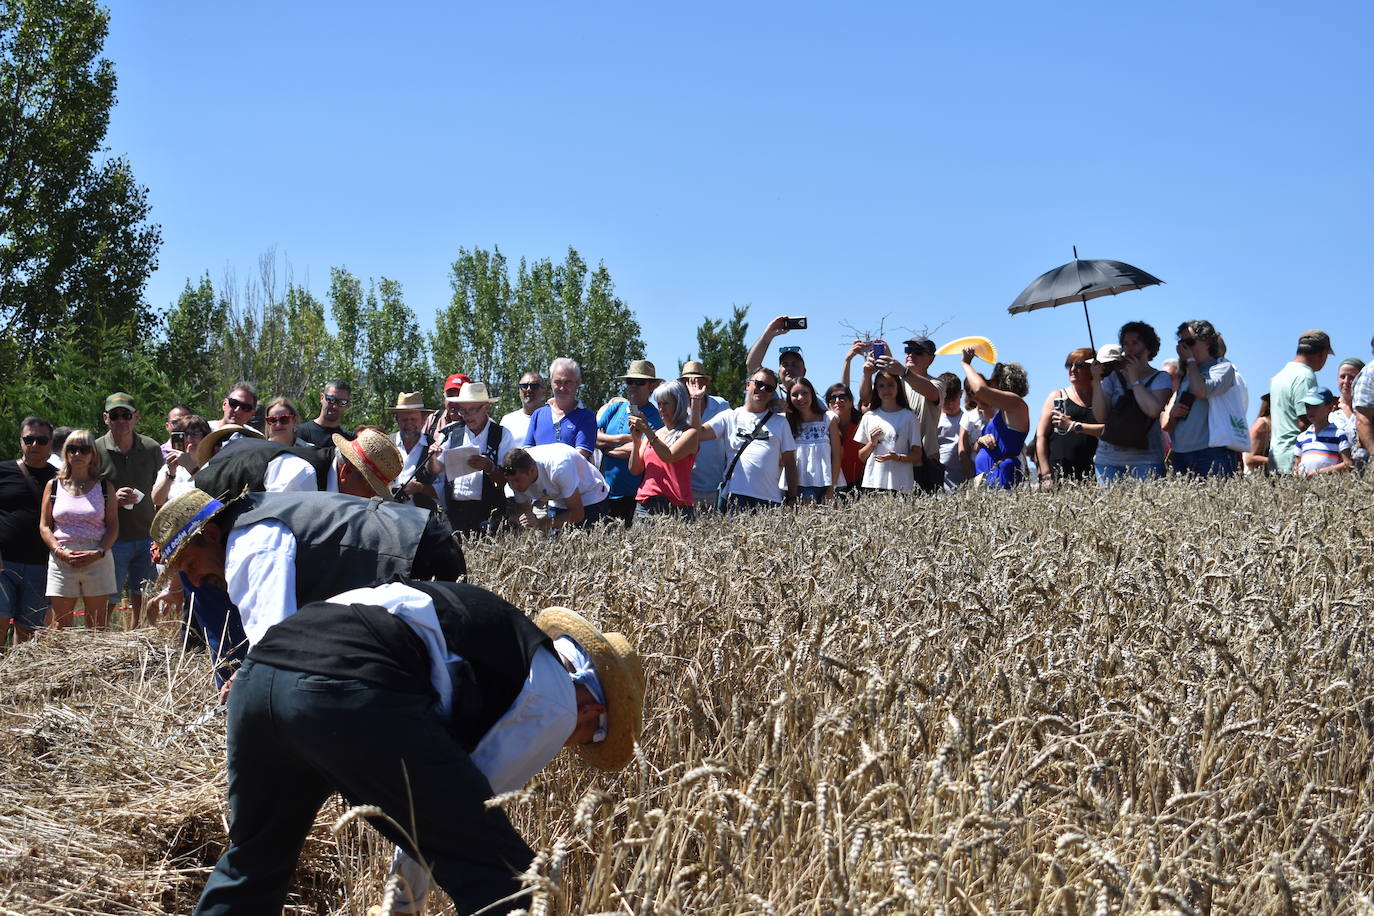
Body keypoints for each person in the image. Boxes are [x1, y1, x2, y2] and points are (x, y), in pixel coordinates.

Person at [190, 579, 643, 916]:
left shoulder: (502, 640)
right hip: (342, 690)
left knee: (252, 865)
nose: (571, 744)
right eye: (590, 737)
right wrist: (402, 906)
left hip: (258, 676)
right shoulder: (555, 699)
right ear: (590, 710)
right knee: (512, 881)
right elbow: (447, 822)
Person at [151, 487, 468, 673]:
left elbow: (274, 644)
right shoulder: (247, 523)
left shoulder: (250, 547)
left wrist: (250, 677)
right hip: (416, 545)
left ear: (210, 534)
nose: (194, 578)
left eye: (191, 563)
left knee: (439, 671)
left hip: (417, 556)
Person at [94, 392, 162, 627]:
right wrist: (112, 499)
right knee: (107, 597)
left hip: (147, 535)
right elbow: (84, 496)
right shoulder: (94, 450)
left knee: (144, 596)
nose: (121, 420)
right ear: (106, 418)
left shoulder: (152, 448)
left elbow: (163, 488)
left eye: (126, 414)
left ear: (136, 417)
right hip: (112, 539)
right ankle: (98, 643)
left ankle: (138, 638)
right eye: (115, 415)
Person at [40, 430, 119, 629]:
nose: (78, 454)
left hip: (97, 555)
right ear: (65, 453)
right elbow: (44, 526)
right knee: (61, 626)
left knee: (96, 626)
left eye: (84, 449)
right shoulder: (54, 485)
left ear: (93, 454)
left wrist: (99, 552)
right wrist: (59, 551)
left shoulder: (104, 486)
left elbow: (113, 527)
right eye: (72, 449)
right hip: (61, 557)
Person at [194, 426, 403, 500]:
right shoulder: (302, 477)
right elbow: (272, 541)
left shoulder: (320, 475)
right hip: (192, 525)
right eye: (369, 491)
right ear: (345, 472)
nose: (369, 500)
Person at [696, 369, 798, 512]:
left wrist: (793, 497)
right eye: (758, 383)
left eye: (768, 388)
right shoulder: (729, 417)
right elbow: (697, 434)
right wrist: (695, 400)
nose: (762, 389)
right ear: (747, 385)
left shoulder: (780, 422)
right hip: (736, 497)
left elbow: (790, 464)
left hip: (770, 500)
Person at [1087, 323, 1172, 483]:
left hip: (1146, 461)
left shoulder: (1161, 378)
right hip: (1108, 460)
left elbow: (1153, 410)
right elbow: (1100, 416)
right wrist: (1096, 381)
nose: (1129, 348)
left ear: (1148, 347)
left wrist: (1134, 380)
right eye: (1126, 344)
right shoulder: (1113, 378)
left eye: (1135, 343)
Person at [430, 382, 515, 536]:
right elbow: (436, 470)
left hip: (488, 514)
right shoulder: (452, 432)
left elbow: (508, 478)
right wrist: (433, 457)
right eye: (463, 410)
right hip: (454, 513)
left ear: (486, 408)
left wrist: (490, 468)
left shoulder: (502, 435)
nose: (467, 415)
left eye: (472, 410)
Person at [864, 336, 946, 493]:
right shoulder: (896, 384)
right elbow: (867, 399)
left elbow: (929, 391)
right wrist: (869, 372)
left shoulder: (938, 383)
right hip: (894, 463)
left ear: (931, 358)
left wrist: (902, 371)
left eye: (918, 352)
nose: (911, 354)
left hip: (924, 463)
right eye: (908, 350)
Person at [1, 418, 58, 642]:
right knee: (0, 619)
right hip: (4, 563)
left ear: (50, 444)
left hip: (40, 564)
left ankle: (14, 676)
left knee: (27, 630)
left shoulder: (59, 478)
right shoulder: (3, 470)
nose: (35, 445)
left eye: (41, 440)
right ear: (21, 441)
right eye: (29, 439)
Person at [1165, 320, 1241, 478]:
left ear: (1207, 341)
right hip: (1181, 453)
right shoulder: (1186, 375)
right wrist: (1173, 415)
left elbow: (1201, 391)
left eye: (1190, 342)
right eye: (1182, 343)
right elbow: (1169, 426)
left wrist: (1190, 361)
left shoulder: (1223, 368)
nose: (1184, 348)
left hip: (1212, 452)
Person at [595, 360, 664, 525]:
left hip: (635, 496)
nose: (633, 386)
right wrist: (621, 439)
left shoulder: (655, 417)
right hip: (605, 493)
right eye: (630, 381)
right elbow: (591, 437)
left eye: (639, 382)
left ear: (651, 386)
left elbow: (641, 449)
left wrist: (607, 449)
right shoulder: (616, 408)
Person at [628, 379, 700, 518]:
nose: (661, 408)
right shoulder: (652, 434)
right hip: (646, 505)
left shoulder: (690, 433)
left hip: (677, 506)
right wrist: (636, 440)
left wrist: (647, 431)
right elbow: (635, 469)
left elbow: (669, 456)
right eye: (659, 403)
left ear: (678, 404)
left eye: (666, 403)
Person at [962, 351, 1031, 489]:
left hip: (1003, 479)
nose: (988, 384)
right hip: (987, 479)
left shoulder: (1016, 404)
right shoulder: (1002, 411)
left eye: (991, 381)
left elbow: (980, 389)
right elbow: (979, 448)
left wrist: (966, 363)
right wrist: (980, 441)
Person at [501, 444, 611, 530]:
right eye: (510, 481)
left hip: (590, 494)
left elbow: (577, 514)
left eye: (517, 480)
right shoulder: (516, 475)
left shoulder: (559, 468)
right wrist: (521, 520)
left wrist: (539, 524)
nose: (514, 486)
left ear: (532, 470)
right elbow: (525, 511)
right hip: (557, 495)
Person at [1268, 330, 1333, 474]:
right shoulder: (1305, 376)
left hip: (1277, 455)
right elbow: (1306, 421)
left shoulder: (1280, 375)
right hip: (1296, 458)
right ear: (1322, 354)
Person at [1036, 347, 1098, 487]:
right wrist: (1045, 474)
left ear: (1093, 367)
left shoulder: (1101, 398)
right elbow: (1041, 436)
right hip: (1060, 471)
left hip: (1095, 471)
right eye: (1068, 365)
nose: (1072, 369)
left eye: (1079, 365)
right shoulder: (1057, 396)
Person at [854, 370, 921, 494]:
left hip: (902, 483)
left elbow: (917, 454)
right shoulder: (869, 416)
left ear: (898, 387)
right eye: (881, 386)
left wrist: (897, 457)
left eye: (890, 384)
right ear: (876, 389)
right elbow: (862, 456)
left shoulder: (909, 417)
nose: (886, 390)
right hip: (873, 482)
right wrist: (872, 443)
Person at [523, 358, 596, 460]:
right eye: (557, 382)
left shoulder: (587, 417)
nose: (562, 388)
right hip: (540, 476)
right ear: (550, 382)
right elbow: (527, 453)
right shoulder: (538, 415)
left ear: (578, 383)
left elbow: (579, 456)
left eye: (567, 382)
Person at [783, 377, 840, 503]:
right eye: (795, 394)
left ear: (812, 394)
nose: (800, 398)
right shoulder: (787, 423)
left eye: (804, 393)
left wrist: (832, 488)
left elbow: (837, 454)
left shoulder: (828, 419)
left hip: (828, 484)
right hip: (801, 485)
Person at [387, 392, 440, 510]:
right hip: (388, 516)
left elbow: (443, 491)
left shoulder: (433, 447)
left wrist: (420, 488)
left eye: (413, 419)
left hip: (422, 520)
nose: (409, 424)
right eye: (404, 420)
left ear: (423, 420)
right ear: (397, 420)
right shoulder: (386, 444)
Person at [151, 415, 213, 508]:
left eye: (195, 434)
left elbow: (213, 492)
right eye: (184, 435)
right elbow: (157, 500)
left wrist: (191, 467)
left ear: (205, 437)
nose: (189, 439)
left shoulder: (213, 464)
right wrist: (170, 475)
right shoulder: (170, 466)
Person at [1294, 388, 1352, 475]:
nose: (1310, 411)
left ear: (1329, 407)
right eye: (1307, 407)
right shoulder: (1302, 437)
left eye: (1315, 406)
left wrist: (1318, 473)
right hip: (1305, 486)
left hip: (1329, 486)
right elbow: (1297, 464)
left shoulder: (1338, 434)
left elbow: (1348, 464)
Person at [823, 383, 865, 494]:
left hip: (860, 484)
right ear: (828, 405)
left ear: (851, 402)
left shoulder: (862, 425)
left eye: (842, 397)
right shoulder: (822, 429)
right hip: (831, 485)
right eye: (832, 398)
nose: (837, 401)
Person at [1331, 357, 1368, 470]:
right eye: (1342, 377)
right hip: (1334, 471)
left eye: (1352, 377)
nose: (1346, 381)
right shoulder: (1329, 408)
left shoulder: (1368, 409)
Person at [296, 379, 356, 448]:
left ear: (347, 405)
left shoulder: (350, 441)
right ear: (322, 398)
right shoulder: (299, 433)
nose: (335, 406)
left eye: (342, 402)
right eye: (330, 399)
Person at [934, 373, 968, 488]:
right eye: (946, 399)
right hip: (943, 480)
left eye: (953, 399)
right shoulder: (936, 419)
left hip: (965, 478)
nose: (950, 404)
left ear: (961, 394)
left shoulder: (968, 418)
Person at [499, 371, 545, 444]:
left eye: (534, 386)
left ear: (544, 391)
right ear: (519, 391)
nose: (529, 389)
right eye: (524, 386)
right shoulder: (507, 421)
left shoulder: (552, 418)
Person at [1244, 394, 1274, 474]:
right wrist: (1278, 461)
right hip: (1254, 478)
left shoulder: (1270, 425)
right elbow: (1250, 458)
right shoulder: (1262, 424)